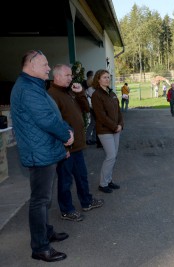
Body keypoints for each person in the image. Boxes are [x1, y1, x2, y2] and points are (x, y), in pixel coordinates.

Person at [10, 50, 74, 262]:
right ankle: (40, 247)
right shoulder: (28, 89)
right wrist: (66, 135)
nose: (48, 68)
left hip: (44, 149)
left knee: (43, 199)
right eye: (45, 64)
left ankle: (45, 232)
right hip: (39, 153)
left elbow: (53, 115)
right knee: (40, 200)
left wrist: (65, 131)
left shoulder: (33, 86)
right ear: (31, 65)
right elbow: (46, 120)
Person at [48, 64, 104, 222]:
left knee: (82, 176)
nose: (71, 78)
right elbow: (53, 124)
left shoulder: (69, 92)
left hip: (77, 145)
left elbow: (86, 109)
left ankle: (86, 201)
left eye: (71, 75)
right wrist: (62, 145)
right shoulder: (52, 95)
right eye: (67, 75)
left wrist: (80, 93)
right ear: (57, 77)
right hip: (66, 147)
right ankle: (66, 210)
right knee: (65, 181)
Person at [91, 69, 124, 193]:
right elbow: (101, 116)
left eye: (108, 77)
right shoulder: (96, 95)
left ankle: (109, 180)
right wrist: (114, 126)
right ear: (98, 80)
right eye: (104, 77)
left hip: (116, 129)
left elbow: (118, 111)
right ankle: (103, 184)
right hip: (105, 131)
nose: (107, 79)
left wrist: (120, 124)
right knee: (110, 156)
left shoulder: (112, 93)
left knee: (113, 156)